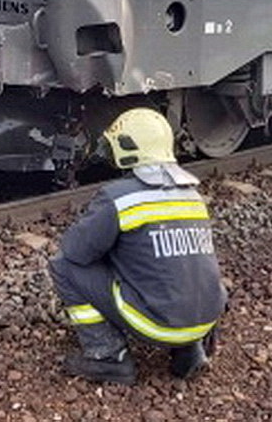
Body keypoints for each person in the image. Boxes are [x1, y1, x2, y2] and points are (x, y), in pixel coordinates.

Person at [49, 108, 226, 385]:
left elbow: (74, 252)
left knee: (64, 266)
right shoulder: (193, 195)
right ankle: (190, 349)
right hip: (205, 319)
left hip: (155, 325)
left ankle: (109, 356)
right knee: (183, 266)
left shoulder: (119, 197)